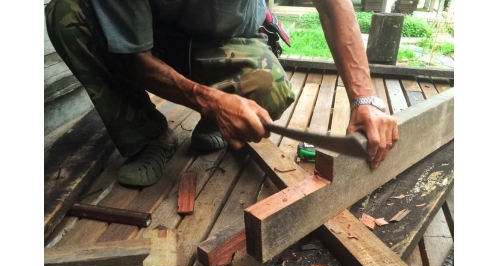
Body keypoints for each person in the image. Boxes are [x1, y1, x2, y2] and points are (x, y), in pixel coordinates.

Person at [45, 0, 398, 188]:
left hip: (226, 40)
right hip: (149, 37)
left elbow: (332, 4)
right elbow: (135, 59)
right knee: (66, 13)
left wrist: (364, 98)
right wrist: (213, 101)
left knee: (267, 88)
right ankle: (149, 136)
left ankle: (214, 118)